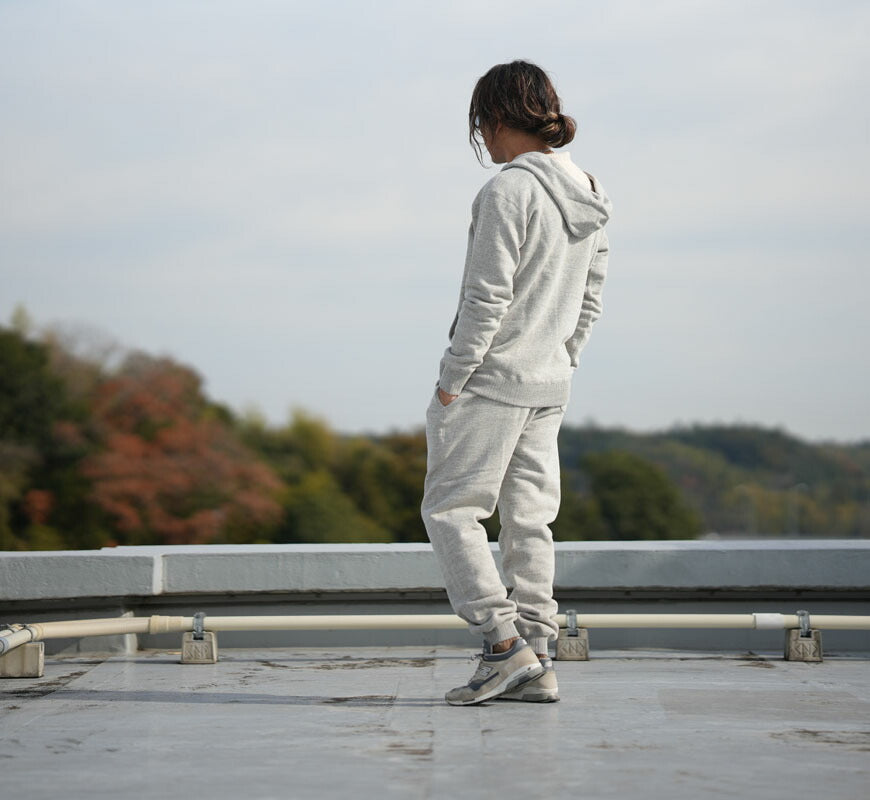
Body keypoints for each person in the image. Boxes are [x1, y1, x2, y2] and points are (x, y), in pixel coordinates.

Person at [420, 60, 613, 706]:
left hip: (493, 378)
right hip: (549, 382)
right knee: (530, 521)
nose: (483, 139)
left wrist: (453, 379)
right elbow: (591, 298)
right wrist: (564, 359)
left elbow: (486, 298)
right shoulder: (589, 190)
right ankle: (538, 657)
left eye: (482, 125)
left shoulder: (509, 191)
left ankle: (503, 648)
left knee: (451, 510)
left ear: (499, 118)